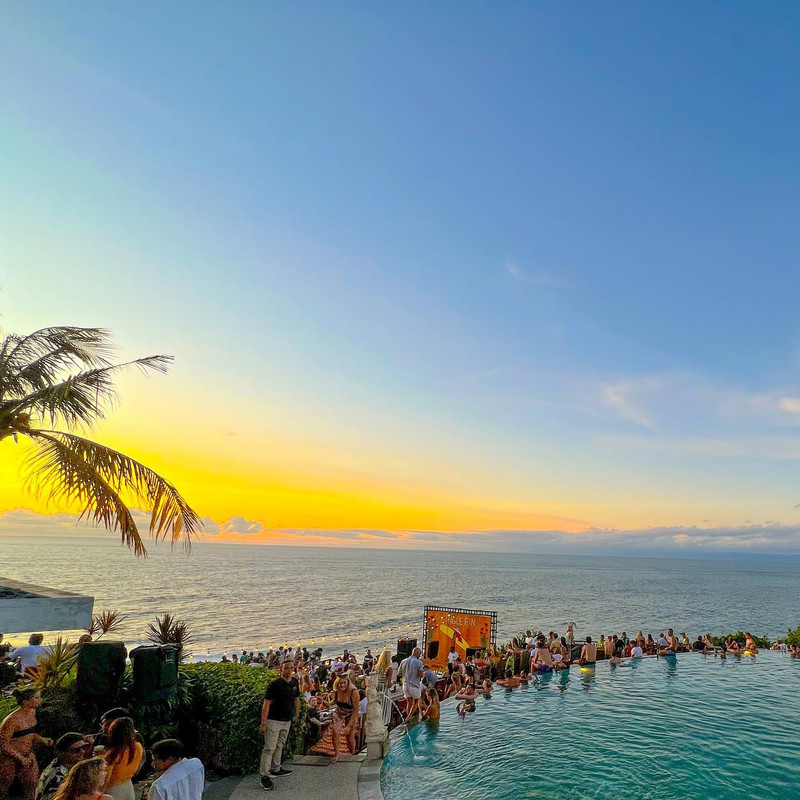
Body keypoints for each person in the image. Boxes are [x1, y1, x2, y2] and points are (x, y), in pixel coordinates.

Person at [0, 688, 53, 800]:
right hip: (9, 758)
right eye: (36, 698)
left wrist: (42, 739)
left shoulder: (32, 712)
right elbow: (3, 744)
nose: (40, 700)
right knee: (3, 788)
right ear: (26, 702)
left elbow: (29, 732)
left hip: (27, 755)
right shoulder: (12, 720)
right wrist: (20, 758)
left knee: (32, 785)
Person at [258, 660, 299, 791]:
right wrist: (263, 723)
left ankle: (276, 768)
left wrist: (296, 714)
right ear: (281, 669)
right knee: (269, 748)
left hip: (287, 720)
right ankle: (264, 775)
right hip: (273, 720)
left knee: (280, 745)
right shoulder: (274, 685)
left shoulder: (294, 682)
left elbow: (296, 698)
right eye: (286, 668)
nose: (289, 670)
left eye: (291, 668)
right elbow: (266, 704)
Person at [36, 734, 91, 800]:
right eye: (76, 750)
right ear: (63, 753)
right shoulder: (56, 775)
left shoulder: (69, 768)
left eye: (83, 748)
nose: (82, 752)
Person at [102, 719, 143, 800]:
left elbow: (105, 773)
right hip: (128, 786)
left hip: (112, 789)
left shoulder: (115, 752)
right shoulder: (138, 746)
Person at [397, 648, 424, 718]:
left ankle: (408, 717)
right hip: (414, 685)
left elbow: (399, 674)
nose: (419, 656)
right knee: (416, 703)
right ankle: (409, 718)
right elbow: (420, 675)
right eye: (419, 654)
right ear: (416, 653)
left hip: (405, 685)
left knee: (409, 703)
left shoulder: (403, 661)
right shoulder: (419, 662)